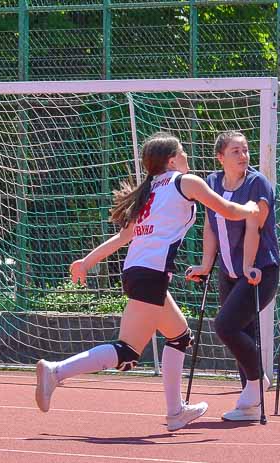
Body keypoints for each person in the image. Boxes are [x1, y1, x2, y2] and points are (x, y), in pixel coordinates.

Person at [34, 132, 259, 432]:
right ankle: (56, 372)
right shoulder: (185, 182)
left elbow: (123, 237)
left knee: (179, 336)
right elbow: (228, 211)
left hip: (138, 272)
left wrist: (87, 261)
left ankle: (175, 411)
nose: (187, 157)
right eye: (182, 153)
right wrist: (252, 209)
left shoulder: (150, 189)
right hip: (150, 275)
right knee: (127, 351)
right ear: (171, 160)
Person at [186, 131, 280, 422]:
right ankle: (251, 406)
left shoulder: (257, 184)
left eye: (245, 150)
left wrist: (249, 265)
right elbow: (210, 226)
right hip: (228, 272)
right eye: (236, 151)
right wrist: (205, 264)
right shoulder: (212, 183)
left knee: (225, 326)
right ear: (220, 157)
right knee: (243, 331)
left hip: (260, 271)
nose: (243, 156)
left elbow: (254, 227)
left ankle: (257, 382)